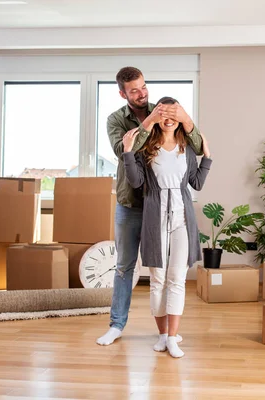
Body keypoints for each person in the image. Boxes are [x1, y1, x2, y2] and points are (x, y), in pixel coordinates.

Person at [96, 67, 204, 346]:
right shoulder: (116, 120)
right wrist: (148, 124)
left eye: (143, 87)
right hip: (132, 203)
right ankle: (116, 325)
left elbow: (197, 146)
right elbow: (124, 153)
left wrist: (186, 120)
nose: (142, 93)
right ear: (123, 93)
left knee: (167, 272)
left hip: (166, 206)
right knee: (124, 266)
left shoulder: (164, 110)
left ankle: (167, 334)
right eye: (134, 90)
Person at [122, 96, 212, 358]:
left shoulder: (187, 150)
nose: (169, 119)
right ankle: (162, 335)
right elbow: (137, 182)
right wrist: (128, 152)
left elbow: (196, 183)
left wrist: (207, 157)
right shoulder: (146, 149)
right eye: (164, 114)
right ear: (157, 118)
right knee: (158, 280)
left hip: (183, 220)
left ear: (181, 118)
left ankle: (172, 338)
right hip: (155, 218)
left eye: (175, 114)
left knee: (177, 279)